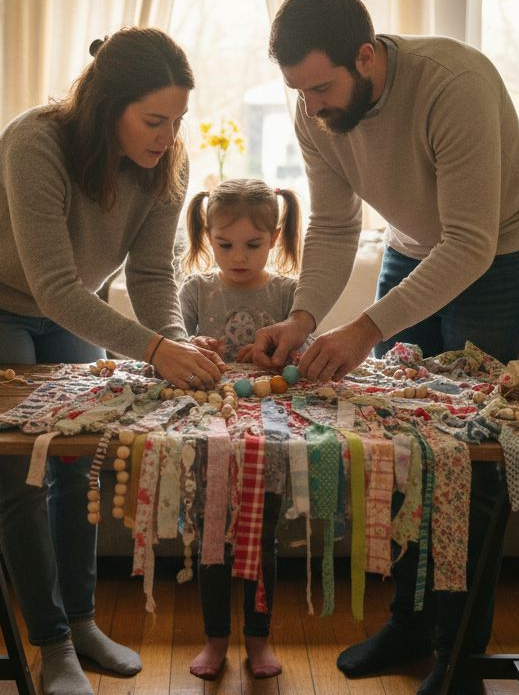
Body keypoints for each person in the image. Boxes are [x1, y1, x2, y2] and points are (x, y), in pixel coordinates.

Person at [248, 0, 519, 695]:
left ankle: (459, 648)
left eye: (322, 87)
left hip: (495, 257)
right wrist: (304, 316)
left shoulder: (455, 86)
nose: (312, 107)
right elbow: (335, 225)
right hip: (412, 251)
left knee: (465, 455)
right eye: (299, 91)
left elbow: (470, 242)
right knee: (402, 441)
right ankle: (411, 624)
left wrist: (366, 326)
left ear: (367, 55)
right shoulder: (313, 107)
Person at [0, 27, 224, 695]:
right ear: (107, 106)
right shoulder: (34, 141)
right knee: (27, 468)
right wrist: (158, 351)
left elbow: (154, 274)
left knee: (78, 462)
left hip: (69, 305)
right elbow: (54, 288)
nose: (167, 135)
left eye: (178, 119)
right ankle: (53, 643)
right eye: (154, 119)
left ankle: (84, 621)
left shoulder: (167, 163)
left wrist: (174, 343)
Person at [176, 177, 303, 680]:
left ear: (274, 238)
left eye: (253, 245)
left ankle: (258, 639)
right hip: (209, 432)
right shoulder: (194, 290)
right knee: (212, 538)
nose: (238, 257)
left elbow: (301, 367)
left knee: (259, 537)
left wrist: (276, 359)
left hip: (267, 437)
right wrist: (195, 347)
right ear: (207, 236)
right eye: (225, 245)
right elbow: (173, 354)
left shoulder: (290, 293)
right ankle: (214, 640)